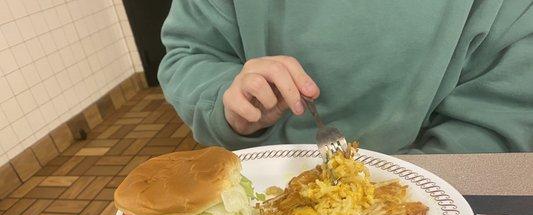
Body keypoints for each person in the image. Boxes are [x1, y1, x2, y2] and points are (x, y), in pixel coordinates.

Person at [158, 1, 533, 153]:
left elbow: (506, 110)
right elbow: (190, 54)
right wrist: (228, 100)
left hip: (444, 193)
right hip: (261, 185)